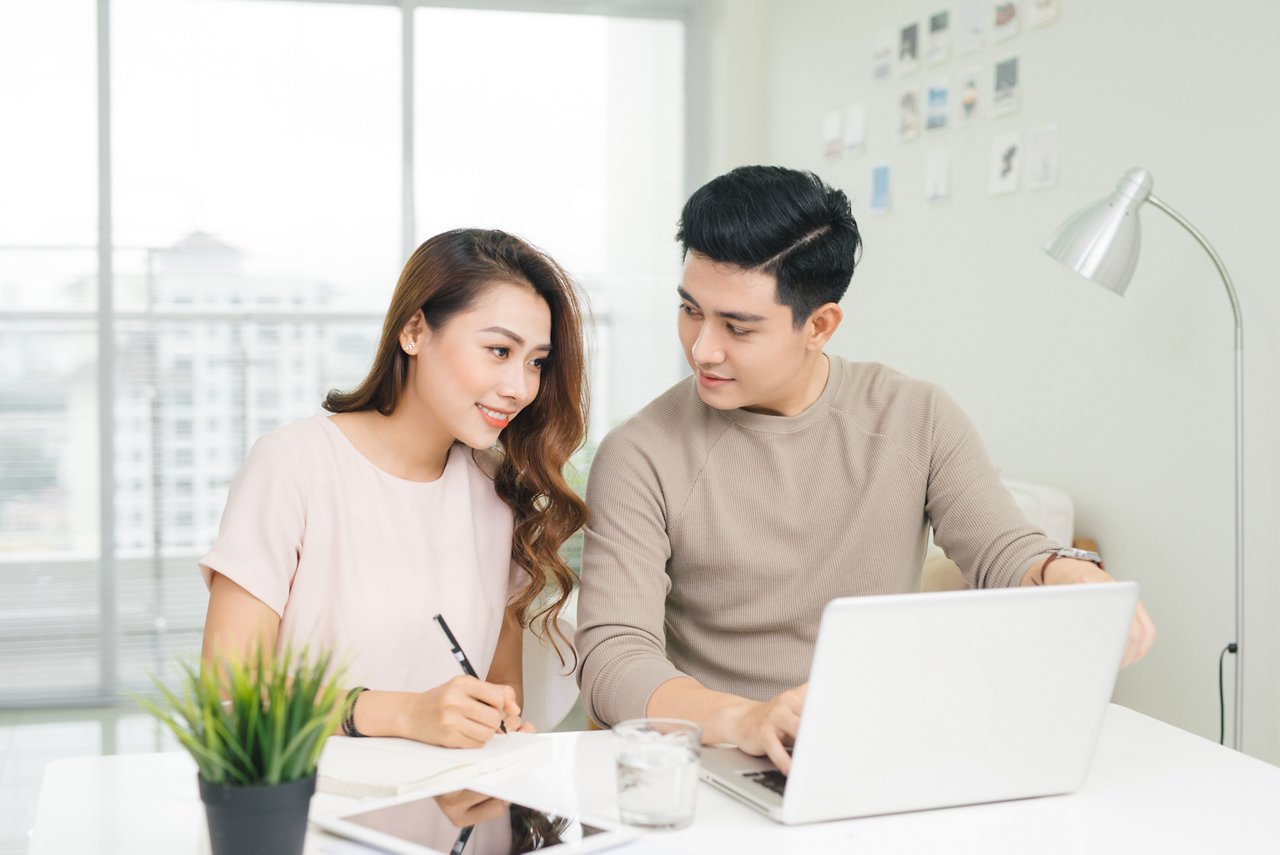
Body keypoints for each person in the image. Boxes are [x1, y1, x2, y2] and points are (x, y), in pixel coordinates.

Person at [575, 166, 1155, 773]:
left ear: (819, 326)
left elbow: (1005, 551)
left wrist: (1073, 578)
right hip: (711, 765)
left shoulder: (915, 417)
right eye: (691, 311)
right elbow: (614, 657)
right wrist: (745, 719)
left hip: (877, 755)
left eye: (737, 327)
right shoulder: (641, 453)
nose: (702, 349)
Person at [199, 228, 588, 748]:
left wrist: (500, 730)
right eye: (499, 350)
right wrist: (403, 714)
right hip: (324, 814)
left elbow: (500, 698)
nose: (520, 387)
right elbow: (229, 697)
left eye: (536, 362)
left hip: (465, 816)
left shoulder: (497, 491)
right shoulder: (293, 466)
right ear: (413, 331)